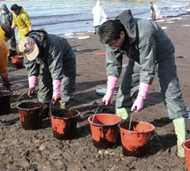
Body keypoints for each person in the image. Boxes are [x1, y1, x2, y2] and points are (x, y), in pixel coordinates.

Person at [98, 10, 188, 158]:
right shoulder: (110, 35)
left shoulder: (144, 31)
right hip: (138, 56)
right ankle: (123, 130)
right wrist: (109, 91)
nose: (112, 47)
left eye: (114, 44)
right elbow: (113, 64)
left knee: (171, 93)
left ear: (122, 34)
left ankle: (182, 142)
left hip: (162, 55)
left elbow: (148, 67)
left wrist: (141, 97)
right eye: (110, 45)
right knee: (125, 90)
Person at [18, 30, 76, 115]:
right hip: (45, 59)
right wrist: (32, 85)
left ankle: (65, 105)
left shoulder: (53, 45)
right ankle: (44, 105)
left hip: (65, 57)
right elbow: (30, 66)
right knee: (44, 81)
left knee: (66, 82)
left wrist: (56, 93)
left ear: (37, 46)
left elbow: (56, 69)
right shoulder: (26, 46)